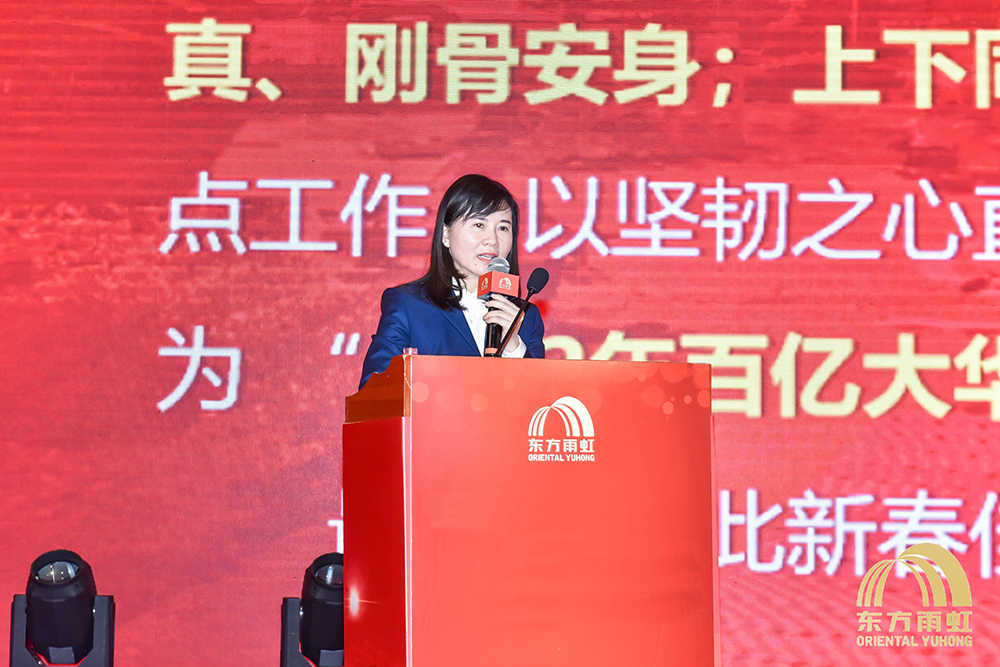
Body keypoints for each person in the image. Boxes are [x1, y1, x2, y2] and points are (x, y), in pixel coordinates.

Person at [359, 174, 545, 389]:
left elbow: (541, 402)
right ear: (446, 234)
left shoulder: (526, 317)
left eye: (503, 228)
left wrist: (514, 347)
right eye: (479, 224)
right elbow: (373, 392)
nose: (492, 240)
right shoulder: (409, 305)